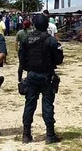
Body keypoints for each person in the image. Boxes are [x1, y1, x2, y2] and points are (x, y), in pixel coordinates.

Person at [19, 15, 63, 144]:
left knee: (29, 104)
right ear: (46, 26)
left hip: (32, 75)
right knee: (48, 104)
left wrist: (29, 69)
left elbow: (22, 60)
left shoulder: (26, 39)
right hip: (47, 76)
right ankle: (50, 135)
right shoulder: (51, 40)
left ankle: (26, 134)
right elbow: (59, 60)